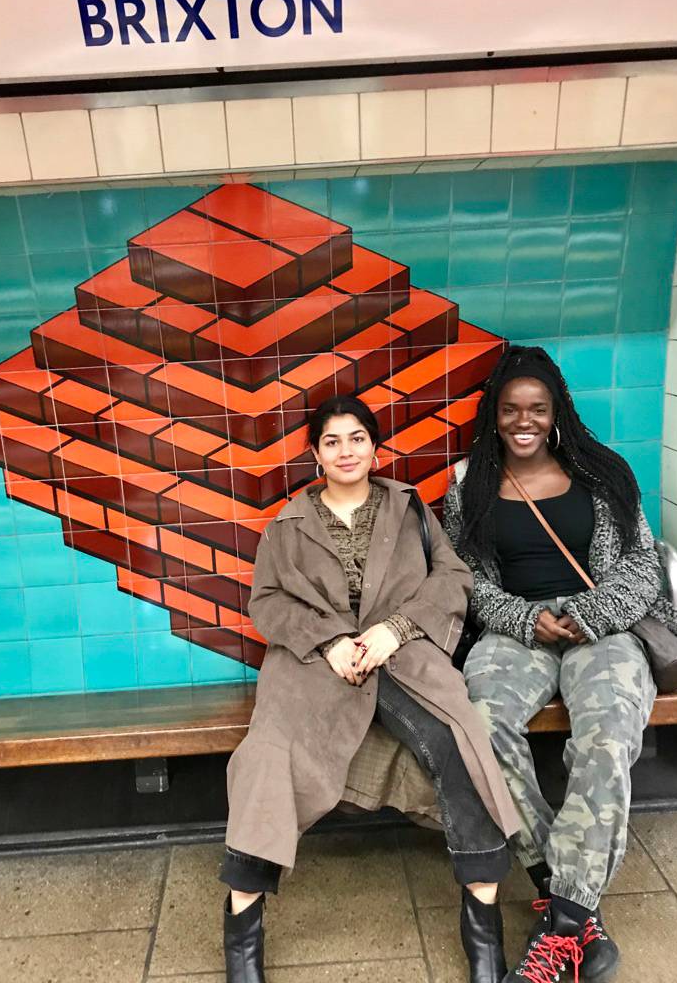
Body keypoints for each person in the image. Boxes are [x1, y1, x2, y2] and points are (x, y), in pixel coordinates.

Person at [221, 395, 521, 983]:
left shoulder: (408, 509)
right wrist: (330, 639)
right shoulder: (287, 523)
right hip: (314, 663)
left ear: (374, 446)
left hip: (403, 655)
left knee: (460, 738)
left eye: (356, 438)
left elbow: (453, 576)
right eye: (331, 441)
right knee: (266, 755)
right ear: (315, 455)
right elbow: (267, 601)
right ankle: (242, 936)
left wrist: (396, 628)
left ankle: (484, 933)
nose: (346, 451)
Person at [444, 345, 677, 983]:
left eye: (536, 409)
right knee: (479, 724)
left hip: (601, 630)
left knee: (608, 734)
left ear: (556, 413)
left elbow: (641, 566)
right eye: (510, 409)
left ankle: (560, 929)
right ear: (493, 415)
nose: (522, 421)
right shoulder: (468, 482)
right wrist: (526, 619)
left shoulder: (604, 473)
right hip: (515, 629)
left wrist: (590, 612)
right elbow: (463, 578)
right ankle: (571, 901)